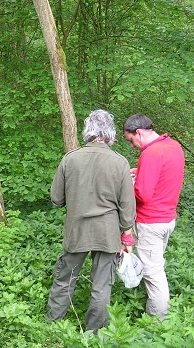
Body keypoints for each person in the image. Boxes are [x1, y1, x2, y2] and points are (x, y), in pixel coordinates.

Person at [46, 109, 136, 332]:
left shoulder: (70, 159)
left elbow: (56, 199)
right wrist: (127, 233)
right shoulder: (120, 163)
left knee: (65, 278)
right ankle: (94, 334)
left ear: (88, 131)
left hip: (77, 230)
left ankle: (53, 325)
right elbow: (127, 205)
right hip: (107, 233)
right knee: (101, 285)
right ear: (111, 133)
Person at [123, 114, 185, 320]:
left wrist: (127, 185)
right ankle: (160, 317)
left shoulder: (150, 154)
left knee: (153, 275)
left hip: (150, 222)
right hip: (167, 219)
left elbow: (143, 194)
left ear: (138, 132)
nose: (132, 146)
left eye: (131, 140)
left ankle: (157, 323)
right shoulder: (173, 146)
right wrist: (139, 171)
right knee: (156, 267)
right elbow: (164, 173)